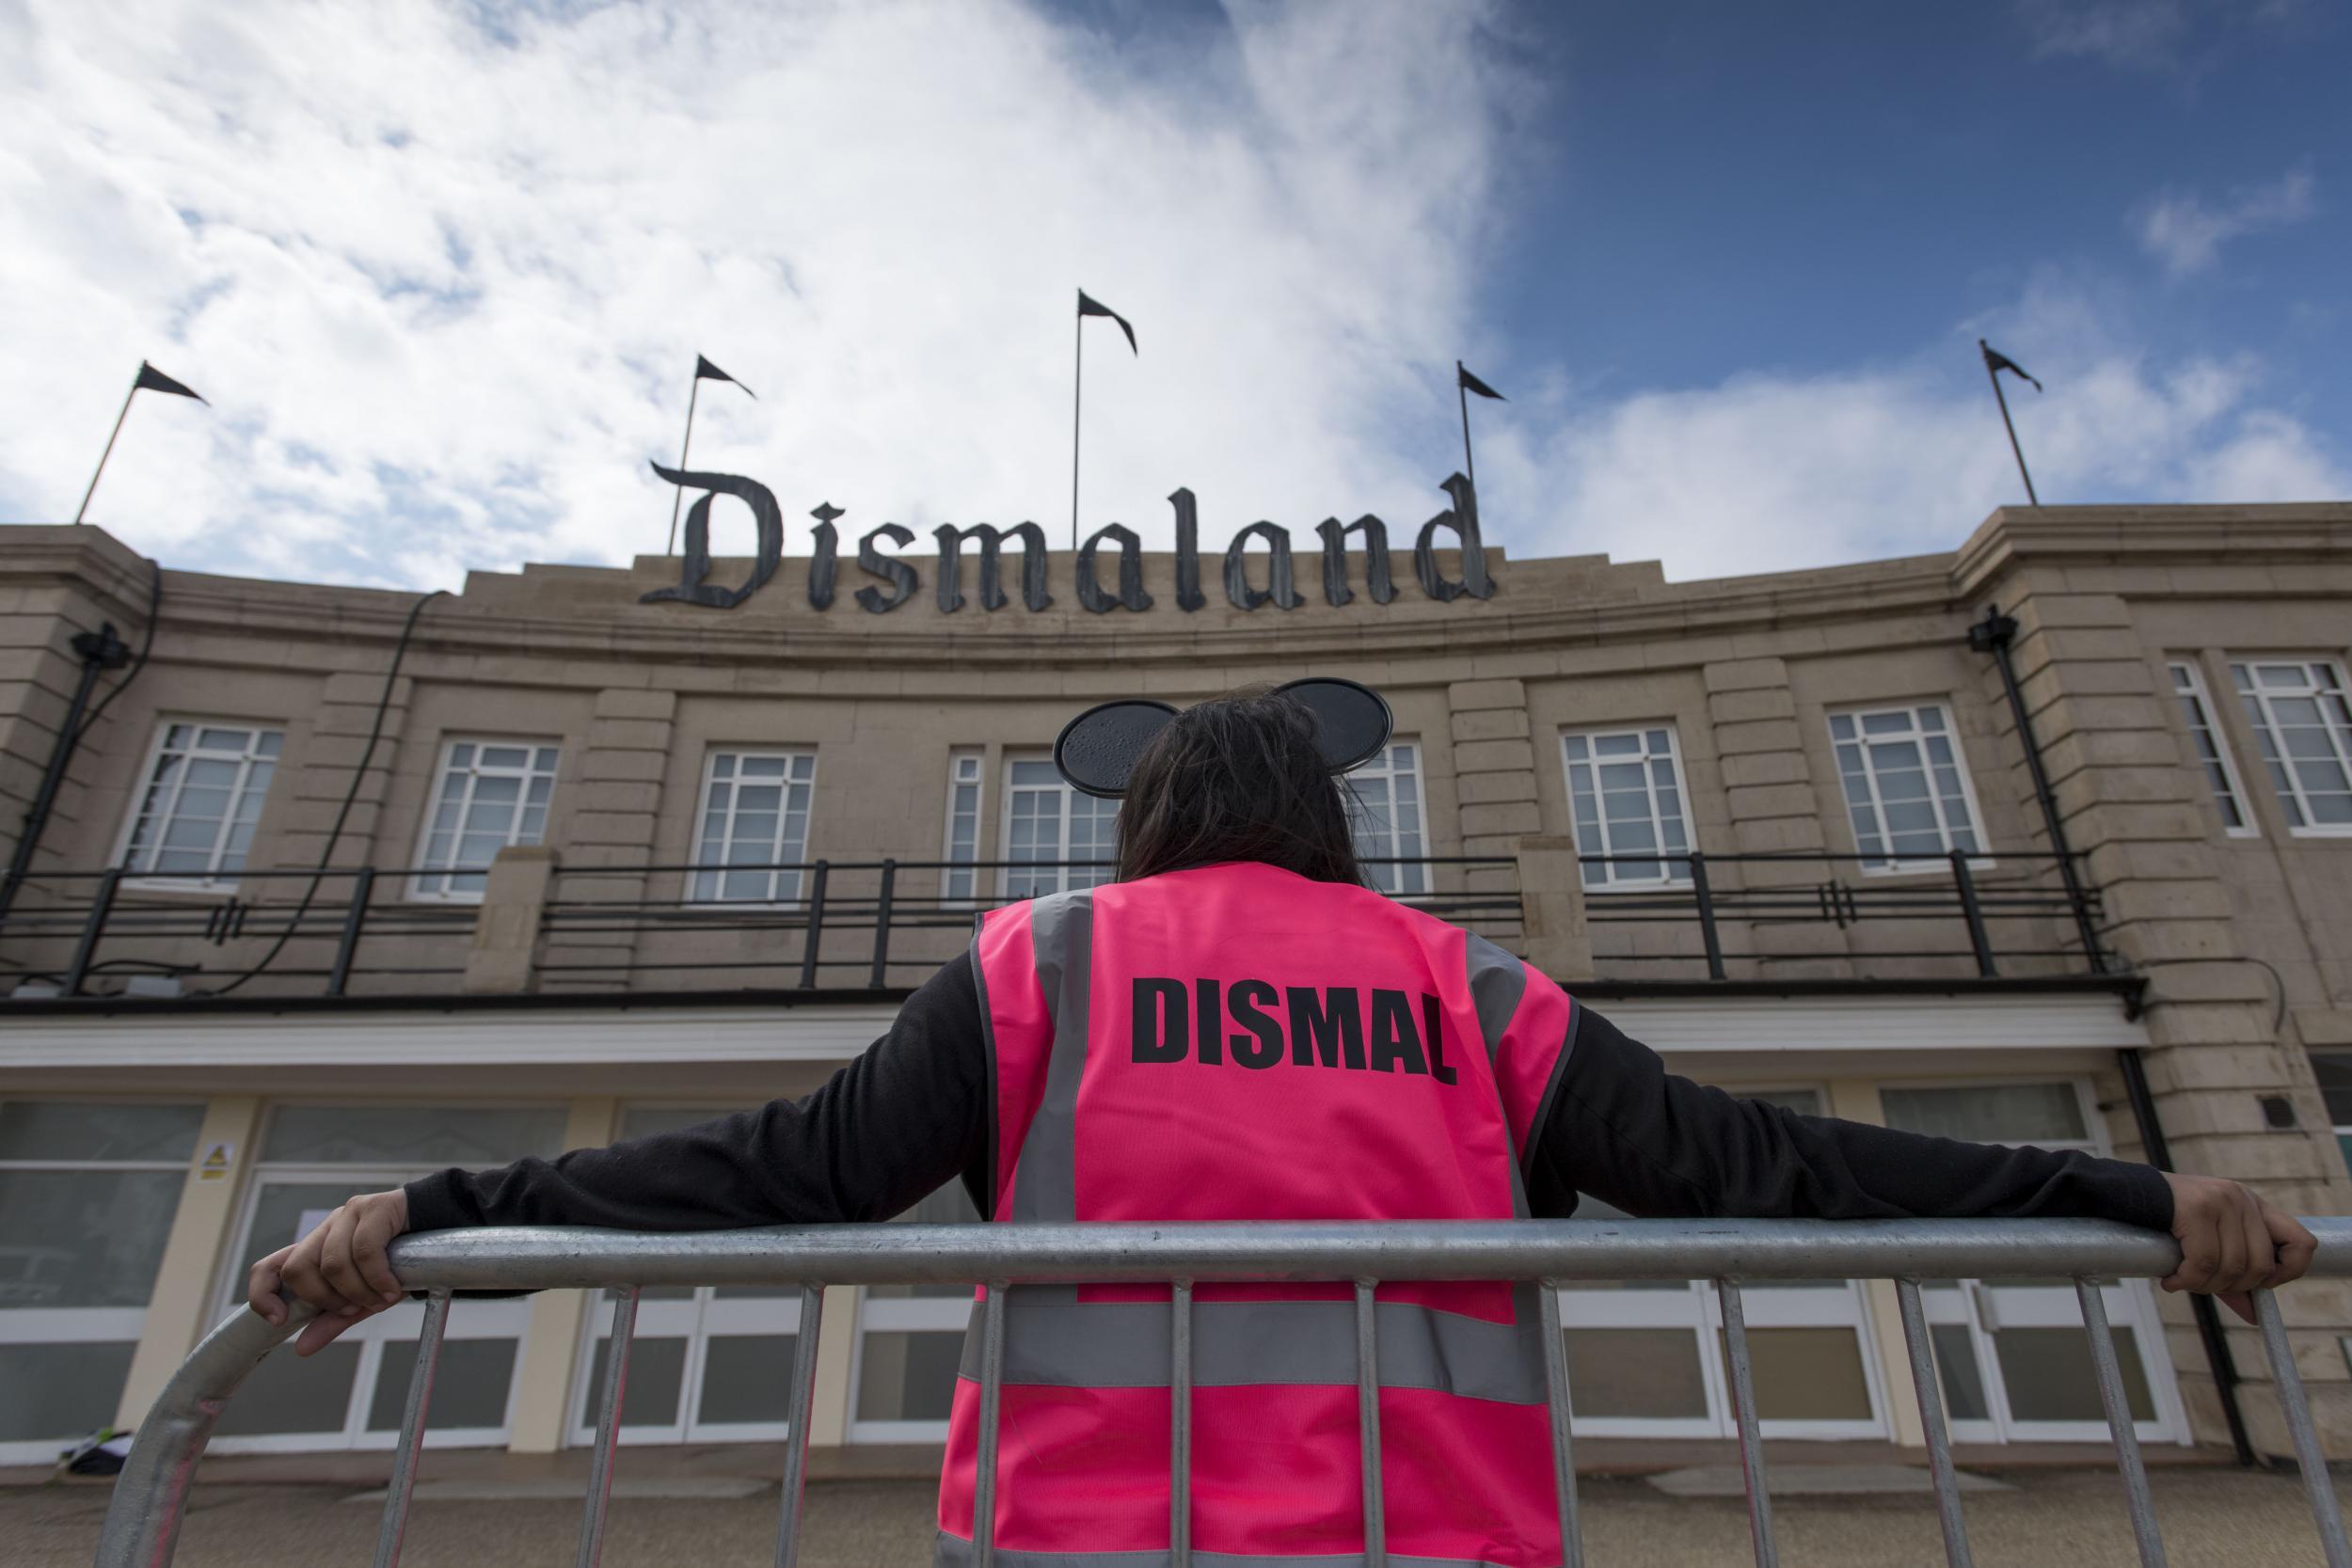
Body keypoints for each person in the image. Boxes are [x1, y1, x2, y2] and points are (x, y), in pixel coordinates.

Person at [253, 684, 2314, 1567]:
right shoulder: (1464, 982)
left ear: (1144, 825)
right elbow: (1760, 1165)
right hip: (1441, 1547)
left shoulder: (1034, 962)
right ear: (1333, 828)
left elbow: (766, 1176)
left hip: (1085, 1545)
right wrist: (2118, 1190)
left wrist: (443, 1212)